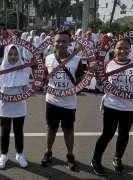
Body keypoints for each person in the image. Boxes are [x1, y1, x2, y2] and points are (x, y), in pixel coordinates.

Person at [90, 39, 133, 176]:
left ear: (130, 50)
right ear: (114, 49)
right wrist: (96, 72)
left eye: (126, 48)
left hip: (130, 106)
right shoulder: (108, 64)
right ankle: (96, 160)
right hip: (112, 105)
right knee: (107, 134)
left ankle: (117, 158)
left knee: (124, 134)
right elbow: (100, 84)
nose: (122, 51)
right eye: (119, 48)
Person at [41, 30, 85, 170]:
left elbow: (80, 81)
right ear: (53, 43)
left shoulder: (77, 60)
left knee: (68, 130)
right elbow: (43, 78)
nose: (60, 44)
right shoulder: (47, 58)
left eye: (64, 41)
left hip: (69, 102)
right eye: (58, 41)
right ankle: (48, 152)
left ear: (70, 43)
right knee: (51, 129)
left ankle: (70, 155)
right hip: (52, 101)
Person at [0, 44, 31, 169]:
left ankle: (20, 154)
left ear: (19, 55)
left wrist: (26, 93)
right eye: (10, 54)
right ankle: (3, 155)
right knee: (5, 131)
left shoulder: (25, 69)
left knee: (19, 130)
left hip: (19, 105)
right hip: (4, 105)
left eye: (15, 54)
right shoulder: (0, 69)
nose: (13, 56)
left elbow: (28, 88)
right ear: (6, 54)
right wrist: (0, 95)